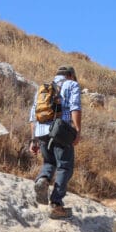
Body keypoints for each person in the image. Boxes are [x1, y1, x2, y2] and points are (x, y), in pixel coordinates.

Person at [30, 65, 82, 219]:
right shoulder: (72, 85)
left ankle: (43, 179)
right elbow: (75, 108)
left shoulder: (43, 88)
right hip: (60, 131)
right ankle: (56, 204)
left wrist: (33, 140)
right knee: (65, 166)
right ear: (71, 75)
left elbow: (33, 115)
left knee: (49, 162)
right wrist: (77, 130)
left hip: (41, 132)